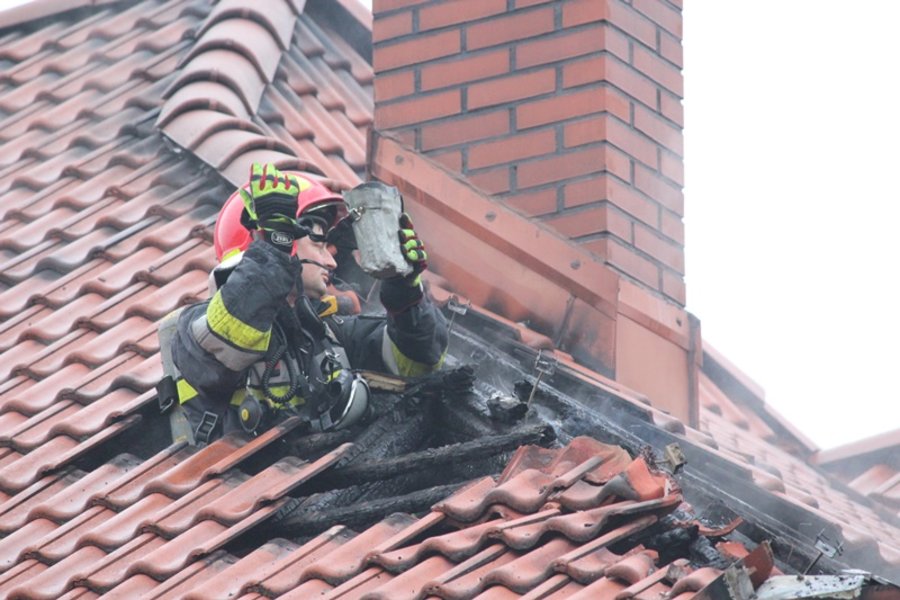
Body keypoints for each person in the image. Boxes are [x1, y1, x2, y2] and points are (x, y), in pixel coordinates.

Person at [164, 163, 449, 444]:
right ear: (280, 238)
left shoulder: (324, 332)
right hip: (240, 487)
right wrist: (273, 253)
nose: (332, 261)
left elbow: (417, 365)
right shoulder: (195, 329)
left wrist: (406, 296)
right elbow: (228, 341)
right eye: (319, 243)